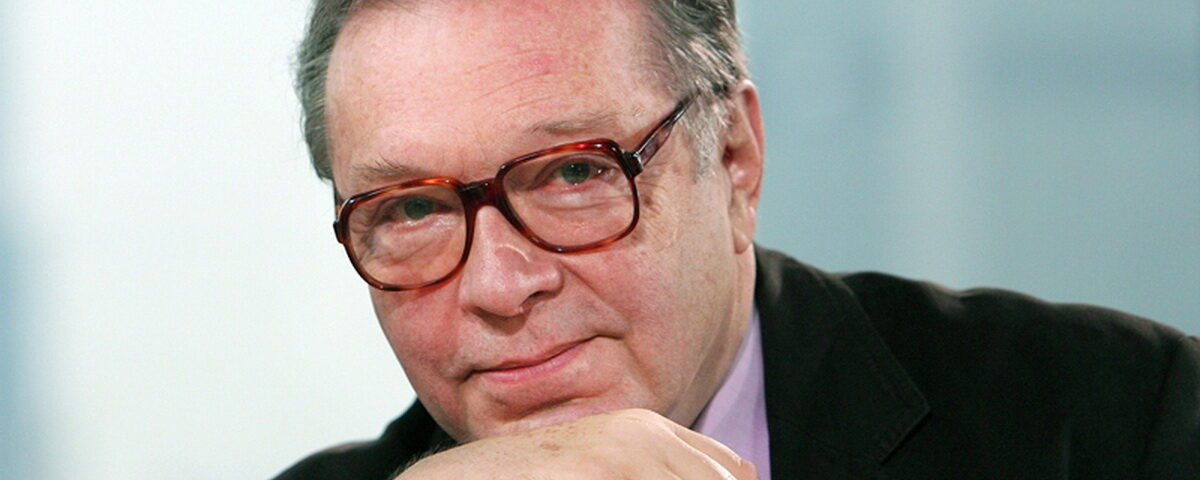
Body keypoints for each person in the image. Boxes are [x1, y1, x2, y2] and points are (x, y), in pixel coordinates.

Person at [275, 0, 1200, 478]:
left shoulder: (1120, 423)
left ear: (736, 158)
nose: (499, 286)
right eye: (411, 210)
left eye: (572, 173)